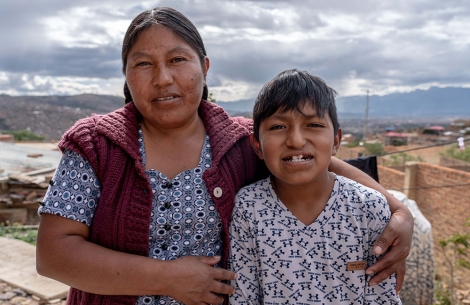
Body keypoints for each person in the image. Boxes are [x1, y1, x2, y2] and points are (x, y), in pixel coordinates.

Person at [35, 7, 412, 305]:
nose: (163, 78)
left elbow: (312, 157)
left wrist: (397, 210)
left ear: (205, 66)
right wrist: (166, 277)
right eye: (143, 64)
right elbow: (53, 255)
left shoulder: (238, 142)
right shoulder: (95, 144)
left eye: (178, 60)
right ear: (127, 76)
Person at [228, 69, 402, 304]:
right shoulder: (248, 208)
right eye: (278, 127)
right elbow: (243, 298)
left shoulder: (369, 208)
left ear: (336, 142)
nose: (296, 140)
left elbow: (381, 297)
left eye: (314, 125)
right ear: (257, 145)